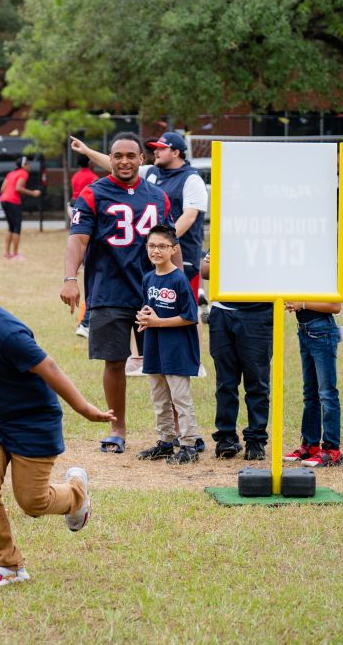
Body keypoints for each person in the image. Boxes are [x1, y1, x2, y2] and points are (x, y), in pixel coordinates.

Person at [0, 248, 114, 587]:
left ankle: (76, 493)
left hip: (32, 423)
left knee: (32, 502)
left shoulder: (7, 331)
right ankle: (8, 565)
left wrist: (84, 409)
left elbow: (48, 367)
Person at [61, 134, 175, 454]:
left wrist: (178, 285)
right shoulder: (93, 193)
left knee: (162, 362)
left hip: (152, 291)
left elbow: (169, 243)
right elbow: (78, 240)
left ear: (142, 159)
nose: (124, 161)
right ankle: (117, 428)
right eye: (117, 155)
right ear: (109, 159)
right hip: (108, 289)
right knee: (114, 362)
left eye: (130, 155)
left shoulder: (158, 196)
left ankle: (170, 431)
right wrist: (71, 278)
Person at [133, 225, 202, 464]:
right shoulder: (148, 278)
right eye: (152, 246)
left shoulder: (179, 279)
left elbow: (190, 316)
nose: (156, 251)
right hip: (154, 348)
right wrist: (145, 318)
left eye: (162, 246)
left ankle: (189, 445)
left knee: (180, 399)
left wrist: (158, 322)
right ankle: (165, 442)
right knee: (159, 398)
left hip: (177, 350)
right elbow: (150, 308)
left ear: (173, 249)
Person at [199, 252, 272, 460]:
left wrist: (234, 263)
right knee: (225, 382)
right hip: (223, 312)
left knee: (257, 382)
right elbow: (205, 271)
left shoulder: (268, 239)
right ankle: (226, 437)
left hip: (259, 313)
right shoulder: (228, 233)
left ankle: (256, 439)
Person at [281, 298, 343, 467]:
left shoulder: (329, 273)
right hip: (305, 330)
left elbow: (335, 306)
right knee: (310, 393)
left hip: (322, 330)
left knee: (327, 393)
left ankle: (332, 450)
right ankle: (311, 444)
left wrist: (302, 304)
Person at [143, 132, 207, 301]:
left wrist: (162, 243)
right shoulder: (151, 172)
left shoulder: (192, 179)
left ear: (176, 152)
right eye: (155, 149)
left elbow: (189, 217)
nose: (155, 152)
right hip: (156, 254)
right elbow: (120, 164)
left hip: (183, 255)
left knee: (186, 310)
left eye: (161, 149)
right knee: (158, 306)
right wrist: (88, 151)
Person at [69, 156, 99, 337]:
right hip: (85, 208)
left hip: (73, 206)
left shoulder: (75, 176)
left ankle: (78, 262)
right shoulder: (93, 178)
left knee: (77, 238)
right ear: (89, 162)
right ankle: (86, 323)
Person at [0, 156, 41, 260]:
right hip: (13, 201)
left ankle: (7, 253)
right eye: (28, 164)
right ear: (24, 165)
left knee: (11, 227)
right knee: (17, 227)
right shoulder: (23, 173)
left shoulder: (11, 173)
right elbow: (18, 188)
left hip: (3, 200)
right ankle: (15, 254)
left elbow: (2, 188)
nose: (29, 166)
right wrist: (32, 193)